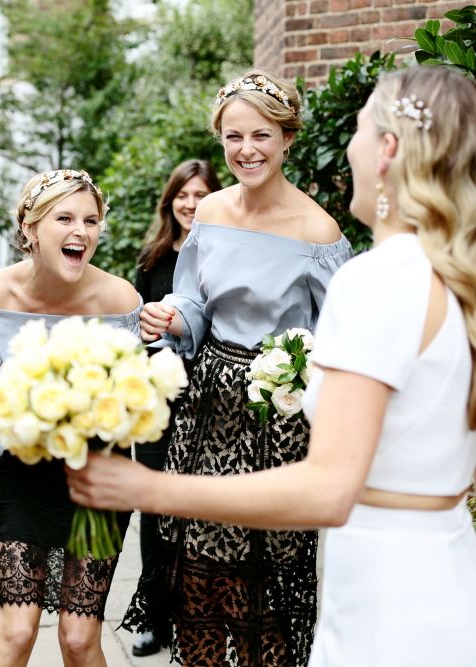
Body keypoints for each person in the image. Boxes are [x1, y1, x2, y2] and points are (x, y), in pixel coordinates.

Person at [68, 65, 476, 666]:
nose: (347, 145)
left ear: (387, 149)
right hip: (439, 561)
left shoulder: (373, 279)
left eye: (358, 129)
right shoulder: (445, 276)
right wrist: (178, 320)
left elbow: (330, 487)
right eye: (233, 136)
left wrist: (150, 488)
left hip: (379, 578)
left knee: (270, 607)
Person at [97, 70, 354, 666]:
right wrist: (172, 317)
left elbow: (343, 336)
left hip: (279, 423)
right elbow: (194, 300)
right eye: (233, 136)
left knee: (266, 578)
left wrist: (299, 374)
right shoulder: (209, 211)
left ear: (287, 138)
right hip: (207, 414)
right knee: (200, 569)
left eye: (261, 135)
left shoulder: (319, 231)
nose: (246, 150)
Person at [0, 168, 142, 667]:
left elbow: (131, 394)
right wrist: (38, 420)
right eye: (64, 218)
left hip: (98, 477)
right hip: (21, 470)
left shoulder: (120, 300)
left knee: (79, 639)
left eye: (91, 219)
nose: (81, 230)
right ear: (30, 227)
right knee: (17, 632)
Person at [131, 158, 222, 658]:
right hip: (156, 400)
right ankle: (155, 617)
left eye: (201, 195)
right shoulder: (152, 259)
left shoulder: (225, 256)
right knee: (153, 506)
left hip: (207, 401)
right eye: (183, 195)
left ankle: (199, 609)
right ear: (171, 201)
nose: (191, 204)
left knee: (198, 508)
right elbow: (132, 329)